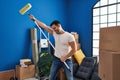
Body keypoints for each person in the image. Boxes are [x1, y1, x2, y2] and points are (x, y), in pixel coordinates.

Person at [29, 14, 77, 80]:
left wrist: (65, 57)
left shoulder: (69, 36)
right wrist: (34, 19)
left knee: (70, 78)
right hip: (57, 59)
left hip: (67, 60)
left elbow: (74, 49)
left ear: (59, 25)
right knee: (51, 77)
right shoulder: (54, 33)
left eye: (55, 28)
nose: (54, 30)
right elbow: (44, 26)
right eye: (53, 28)